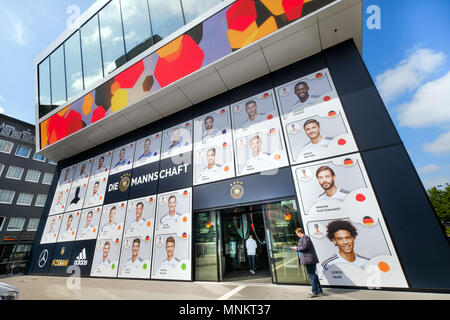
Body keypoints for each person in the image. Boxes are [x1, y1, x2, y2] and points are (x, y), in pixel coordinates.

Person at [293, 227, 322, 298]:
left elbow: (304, 247)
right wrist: (297, 248)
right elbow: (303, 246)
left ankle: (314, 292)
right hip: (309, 259)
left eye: (297, 233)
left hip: (309, 260)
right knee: (313, 274)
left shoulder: (305, 237)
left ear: (299, 232)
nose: (297, 235)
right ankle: (319, 289)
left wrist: (296, 248)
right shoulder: (304, 238)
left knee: (311, 275)